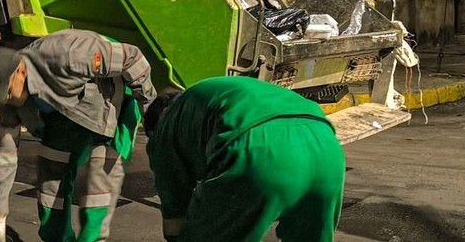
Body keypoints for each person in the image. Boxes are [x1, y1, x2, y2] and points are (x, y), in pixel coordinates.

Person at [0, 30, 156, 242]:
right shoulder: (12, 101)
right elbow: (5, 156)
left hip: (111, 103)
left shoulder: (68, 54)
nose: (5, 100)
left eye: (6, 91)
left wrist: (152, 114)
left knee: (98, 190)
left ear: (20, 71)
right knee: (50, 188)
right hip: (64, 114)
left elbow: (133, 58)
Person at [143, 77, 345, 242]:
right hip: (327, 149)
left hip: (260, 148)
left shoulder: (165, 127)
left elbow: (174, 208)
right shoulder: (213, 93)